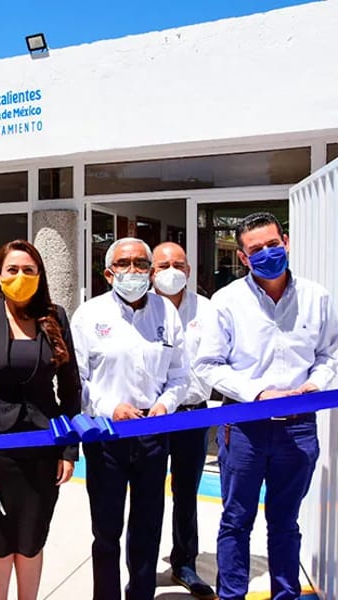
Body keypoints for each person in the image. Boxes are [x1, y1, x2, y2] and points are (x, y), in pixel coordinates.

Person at [194, 212, 338, 600]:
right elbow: (208, 364)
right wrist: (258, 393)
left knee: (285, 521)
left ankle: (285, 595)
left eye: (273, 244)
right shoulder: (227, 301)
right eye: (256, 249)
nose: (267, 254)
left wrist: (314, 385)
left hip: (298, 426)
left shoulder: (316, 297)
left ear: (286, 242)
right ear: (243, 257)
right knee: (236, 520)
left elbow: (328, 354)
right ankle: (232, 595)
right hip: (245, 426)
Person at [0, 239, 81, 600]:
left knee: (31, 539)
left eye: (29, 270)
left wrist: (68, 451)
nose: (20, 276)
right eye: (13, 269)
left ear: (39, 275)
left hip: (43, 449)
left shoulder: (55, 316)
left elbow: (71, 388)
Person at [70, 237, 188, 600]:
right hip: (107, 437)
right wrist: (110, 408)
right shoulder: (89, 315)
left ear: (151, 272)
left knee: (147, 528)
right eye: (124, 263)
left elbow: (180, 375)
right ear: (109, 273)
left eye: (140, 263)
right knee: (106, 532)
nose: (132, 270)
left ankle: (141, 593)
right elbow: (77, 381)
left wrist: (165, 405)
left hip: (153, 436)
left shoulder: (167, 313)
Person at [151, 242, 216, 600]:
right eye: (163, 265)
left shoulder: (208, 310)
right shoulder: (141, 310)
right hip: (152, 417)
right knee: (147, 492)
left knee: (186, 491)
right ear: (152, 272)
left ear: (189, 271)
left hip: (193, 412)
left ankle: (185, 562)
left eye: (178, 264)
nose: (171, 271)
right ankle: (143, 564)